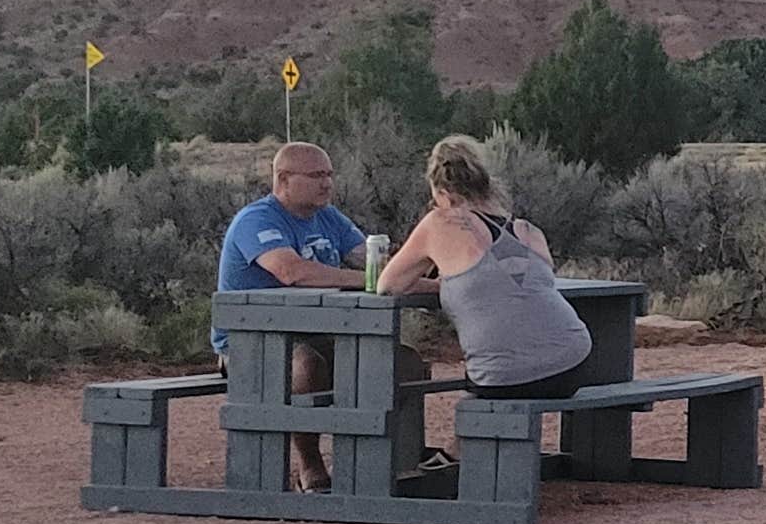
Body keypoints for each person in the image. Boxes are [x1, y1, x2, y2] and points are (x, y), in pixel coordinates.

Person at [377, 134, 593, 400]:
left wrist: (440, 284)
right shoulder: (529, 231)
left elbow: (387, 285)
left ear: (442, 193)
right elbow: (518, 286)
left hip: (504, 371)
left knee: (472, 415)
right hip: (572, 359)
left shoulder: (440, 222)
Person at [217, 142, 377, 491]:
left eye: (330, 175)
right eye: (317, 175)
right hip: (252, 343)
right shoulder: (256, 219)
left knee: (393, 361)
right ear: (284, 179)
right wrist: (370, 281)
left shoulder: (329, 217)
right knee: (306, 366)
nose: (327, 183)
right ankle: (310, 465)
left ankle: (384, 463)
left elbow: (370, 258)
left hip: (317, 331)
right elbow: (292, 272)